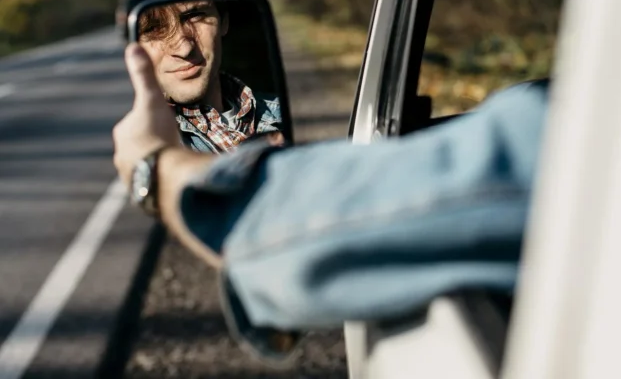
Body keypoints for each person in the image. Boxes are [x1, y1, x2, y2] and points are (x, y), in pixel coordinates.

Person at [113, 43, 549, 362]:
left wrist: (157, 168)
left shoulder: (269, 110)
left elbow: (279, 236)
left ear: (223, 23)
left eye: (199, 17)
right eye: (156, 30)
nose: (185, 44)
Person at [137, 0, 284, 153]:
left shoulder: (281, 112)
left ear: (224, 21)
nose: (184, 49)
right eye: (153, 29)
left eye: (195, 16)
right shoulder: (145, 144)